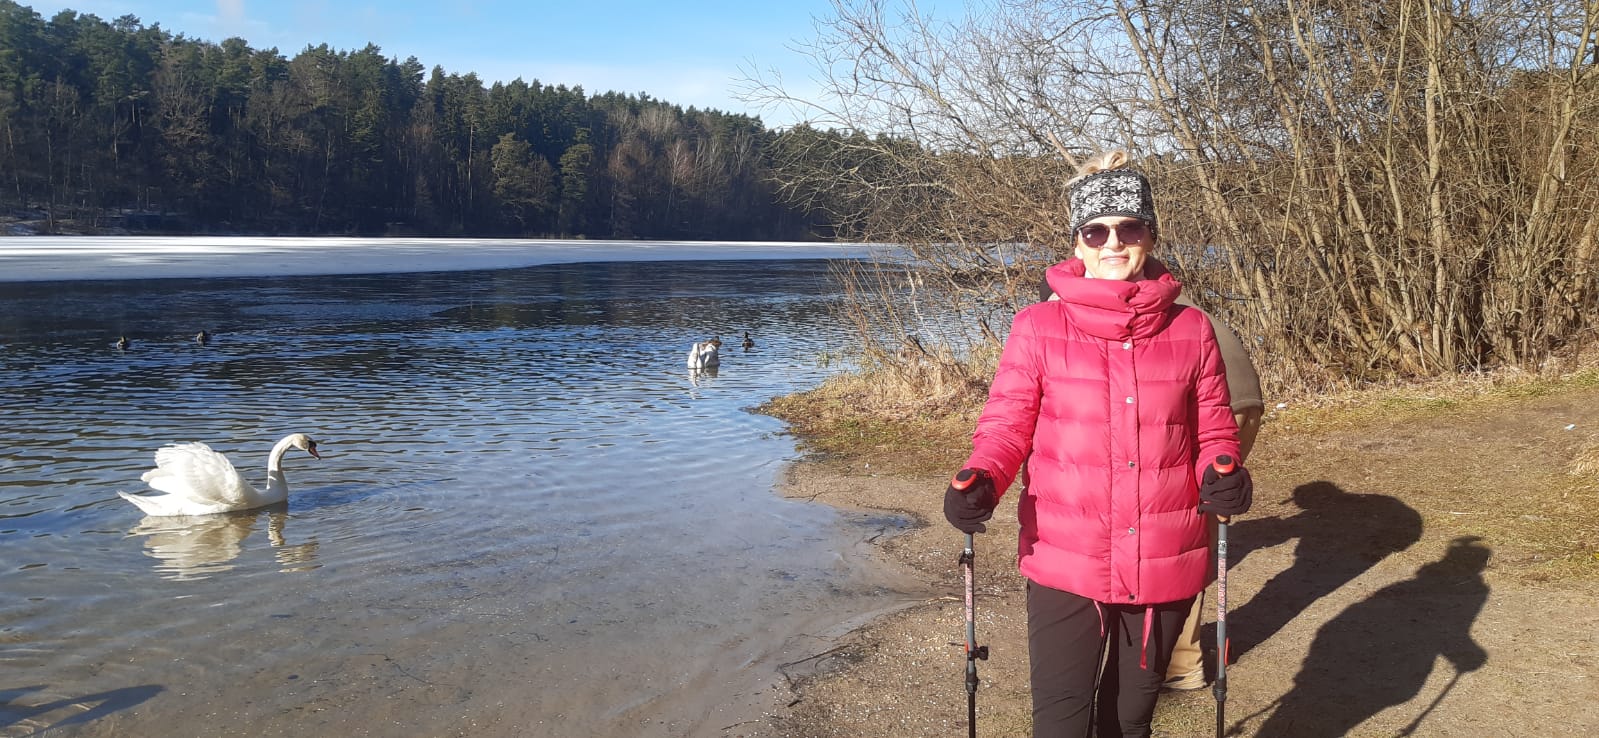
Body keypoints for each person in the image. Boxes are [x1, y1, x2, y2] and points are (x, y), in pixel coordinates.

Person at [944, 151, 1255, 738]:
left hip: (1164, 555)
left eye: (1129, 228)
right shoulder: (1037, 327)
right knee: (1060, 726)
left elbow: (1214, 427)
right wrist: (982, 475)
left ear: (1149, 236)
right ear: (1078, 244)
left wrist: (1224, 469)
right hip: (1066, 556)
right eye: (1096, 231)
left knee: (1128, 724)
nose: (1113, 242)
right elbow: (1006, 425)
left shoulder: (1191, 329)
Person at [1039, 275, 1265, 693]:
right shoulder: (1159, 299)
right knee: (1186, 521)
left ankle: (1180, 663)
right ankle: (1170, 656)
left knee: (1177, 529)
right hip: (1243, 398)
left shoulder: (1146, 315)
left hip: (1215, 407)